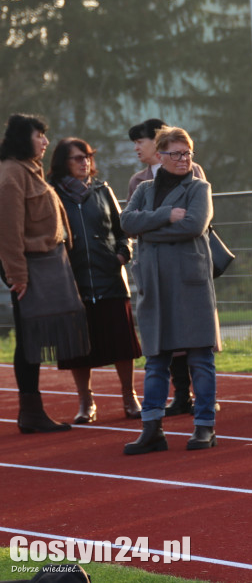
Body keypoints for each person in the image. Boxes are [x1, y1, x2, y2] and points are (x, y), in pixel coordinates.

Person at [121, 127, 220, 453]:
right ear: (160, 156)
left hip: (189, 285)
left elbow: (193, 225)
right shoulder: (144, 189)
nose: (184, 159)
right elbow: (126, 222)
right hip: (154, 285)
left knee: (200, 358)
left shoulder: (199, 187)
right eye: (176, 154)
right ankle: (152, 429)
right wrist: (165, 216)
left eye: (188, 153)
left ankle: (204, 427)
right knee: (156, 360)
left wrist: (148, 230)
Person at [0, 114, 90, 433]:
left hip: (49, 264)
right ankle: (31, 412)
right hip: (31, 268)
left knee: (32, 339)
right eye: (40, 135)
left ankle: (32, 412)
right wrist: (18, 276)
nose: (45, 141)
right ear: (24, 138)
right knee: (29, 339)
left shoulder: (28, 170)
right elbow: (8, 231)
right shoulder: (11, 174)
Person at [47, 138, 142, 423]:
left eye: (87, 157)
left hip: (110, 279)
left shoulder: (103, 190)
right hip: (72, 283)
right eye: (77, 158)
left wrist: (123, 254)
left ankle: (130, 396)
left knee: (121, 344)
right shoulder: (52, 195)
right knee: (78, 348)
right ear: (63, 162)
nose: (84, 162)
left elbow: (122, 228)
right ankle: (86, 403)